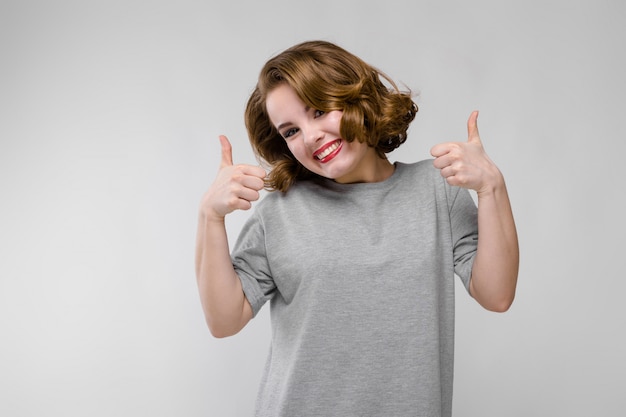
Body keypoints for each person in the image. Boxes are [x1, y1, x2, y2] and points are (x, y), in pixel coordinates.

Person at [195, 40, 519, 417]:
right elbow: (223, 320)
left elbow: (496, 295)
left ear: (356, 96)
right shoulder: (280, 214)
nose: (310, 135)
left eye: (319, 110)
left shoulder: (437, 191)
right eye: (290, 131)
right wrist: (209, 216)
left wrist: (492, 186)